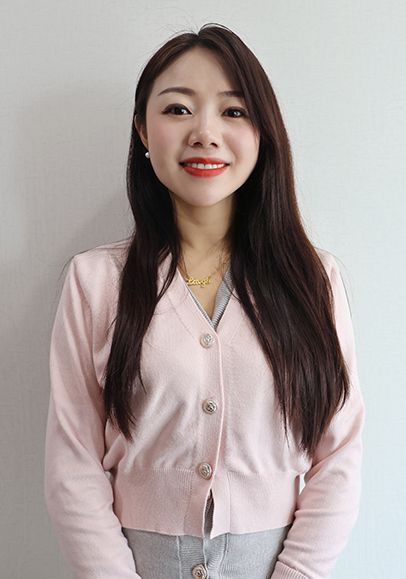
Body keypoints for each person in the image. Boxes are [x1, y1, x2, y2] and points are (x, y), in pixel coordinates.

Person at [44, 22, 365, 579]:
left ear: (263, 132)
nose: (205, 133)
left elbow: (339, 456)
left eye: (233, 111)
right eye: (178, 109)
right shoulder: (95, 281)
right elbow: (72, 464)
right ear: (142, 130)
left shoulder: (314, 279)